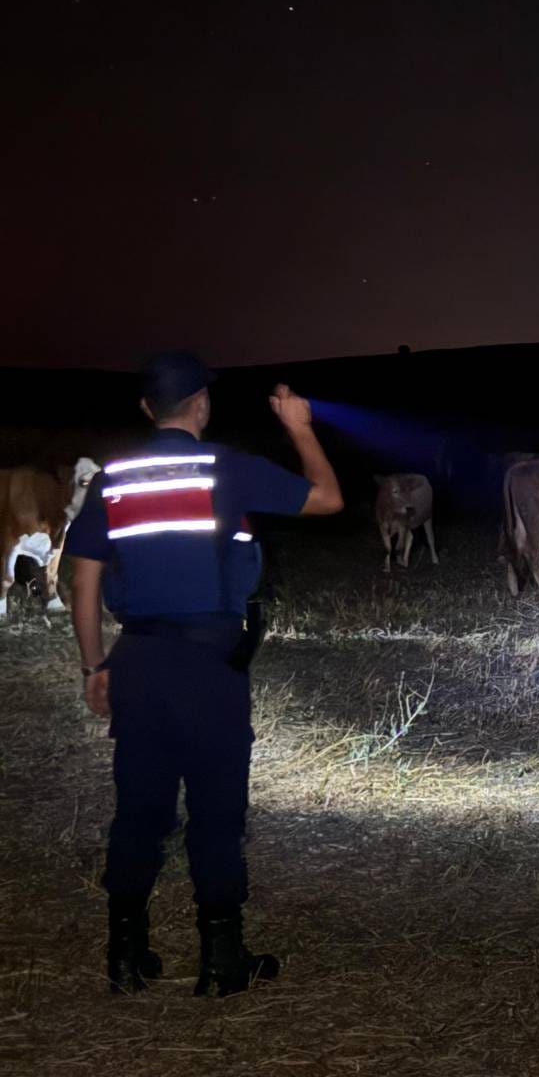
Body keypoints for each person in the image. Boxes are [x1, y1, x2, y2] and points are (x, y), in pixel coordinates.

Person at [65, 352, 343, 996]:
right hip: (209, 667)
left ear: (146, 409)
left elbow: (83, 580)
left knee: (139, 810)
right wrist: (299, 427)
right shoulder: (226, 468)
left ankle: (125, 954)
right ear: (202, 404)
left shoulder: (113, 478)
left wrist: (94, 664)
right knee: (216, 810)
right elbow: (328, 498)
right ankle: (221, 961)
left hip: (137, 661)